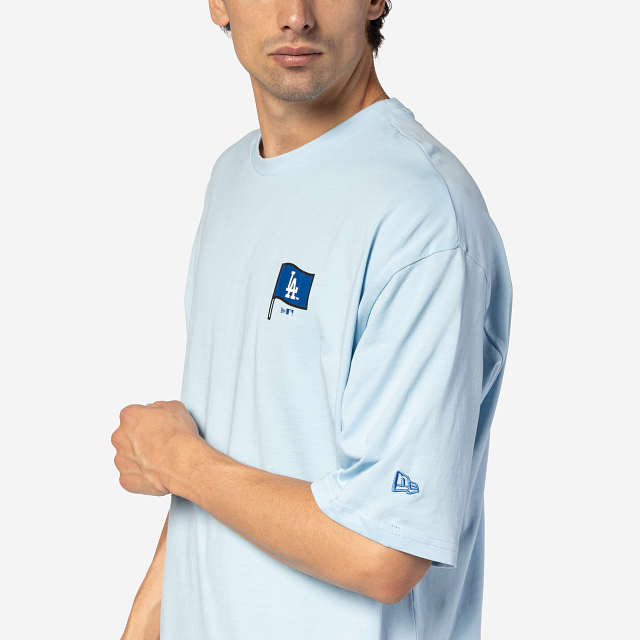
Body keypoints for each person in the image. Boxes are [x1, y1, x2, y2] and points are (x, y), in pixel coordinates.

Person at [110, 1, 513, 638]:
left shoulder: (420, 213)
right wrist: (143, 623)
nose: (295, 15)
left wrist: (176, 461)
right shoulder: (232, 177)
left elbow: (383, 552)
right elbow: (230, 450)